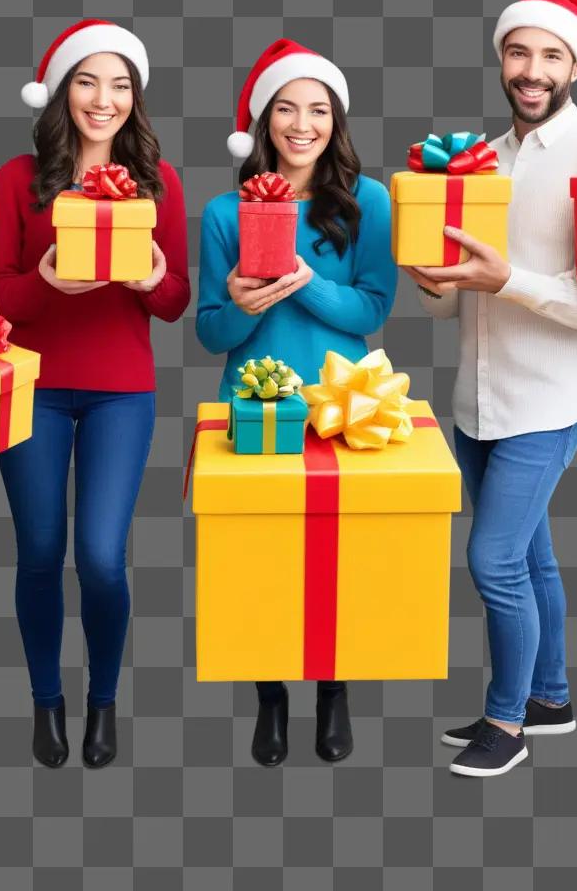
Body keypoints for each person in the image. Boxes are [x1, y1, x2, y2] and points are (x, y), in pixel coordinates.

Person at [406, 0, 577, 777]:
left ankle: (505, 725)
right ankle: (548, 699)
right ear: (501, 60)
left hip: (550, 399)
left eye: (550, 55)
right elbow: (451, 306)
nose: (531, 70)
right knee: (533, 559)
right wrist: (432, 281)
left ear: (574, 64)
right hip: (478, 396)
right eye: (518, 52)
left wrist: (507, 279)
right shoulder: (481, 161)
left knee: (494, 559)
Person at [0, 19, 190, 768]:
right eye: (87, 81)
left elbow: (174, 301)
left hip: (120, 393)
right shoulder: (16, 178)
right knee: (39, 551)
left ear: (135, 100)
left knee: (102, 557)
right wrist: (42, 280)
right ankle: (47, 701)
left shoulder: (158, 182)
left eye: (120, 85)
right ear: (60, 92)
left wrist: (145, 278)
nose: (103, 100)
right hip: (31, 388)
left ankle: (104, 699)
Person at [196, 39, 397, 766]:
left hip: (347, 406)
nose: (301, 123)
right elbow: (211, 330)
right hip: (255, 403)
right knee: (259, 562)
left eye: (317, 109)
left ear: (335, 122)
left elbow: (372, 308)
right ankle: (271, 696)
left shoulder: (368, 201)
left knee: (339, 561)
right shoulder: (225, 211)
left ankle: (334, 689)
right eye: (286, 107)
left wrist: (296, 275)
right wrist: (247, 305)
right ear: (262, 121)